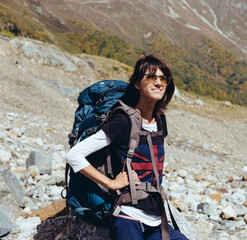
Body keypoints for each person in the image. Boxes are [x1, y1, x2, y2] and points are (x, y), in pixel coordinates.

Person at [65, 55, 188, 240]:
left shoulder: (160, 120)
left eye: (164, 79)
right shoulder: (123, 120)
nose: (159, 83)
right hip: (127, 217)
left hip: (157, 220)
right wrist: (110, 183)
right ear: (137, 83)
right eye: (151, 77)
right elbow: (74, 155)